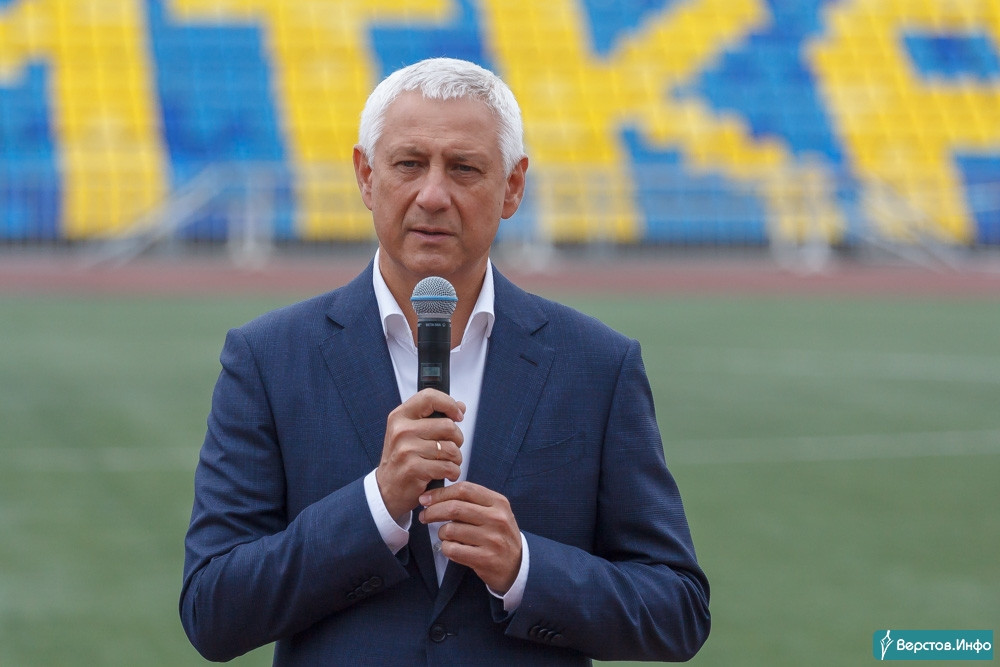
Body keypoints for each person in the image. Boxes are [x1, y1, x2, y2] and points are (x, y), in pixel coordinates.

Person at [180, 57, 710, 665]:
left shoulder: (597, 365)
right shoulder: (269, 358)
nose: (432, 195)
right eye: (409, 164)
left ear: (512, 187)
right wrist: (375, 507)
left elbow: (677, 611)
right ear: (366, 176)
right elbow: (212, 612)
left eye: (464, 168)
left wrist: (525, 568)